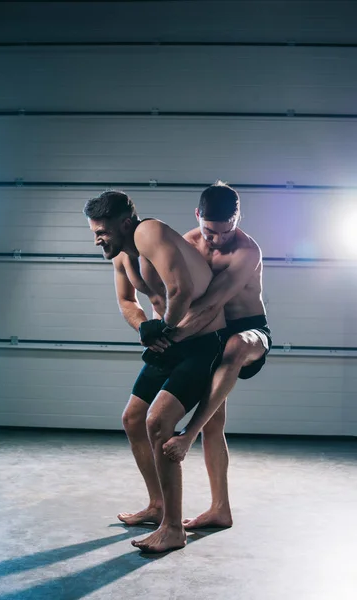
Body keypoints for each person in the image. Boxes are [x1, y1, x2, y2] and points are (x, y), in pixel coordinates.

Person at [83, 190, 229, 553]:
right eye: (93, 231)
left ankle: (173, 529)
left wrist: (162, 328)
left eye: (102, 230)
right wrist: (144, 329)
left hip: (203, 339)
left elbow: (180, 290)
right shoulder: (120, 255)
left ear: (125, 222)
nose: (98, 237)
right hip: (171, 338)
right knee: (133, 418)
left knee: (157, 422)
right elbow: (126, 301)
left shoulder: (149, 233)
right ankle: (157, 505)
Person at [162, 181, 272, 530]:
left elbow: (213, 300)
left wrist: (175, 335)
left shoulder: (247, 251)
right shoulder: (187, 242)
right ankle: (220, 509)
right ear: (198, 216)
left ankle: (188, 434)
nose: (217, 239)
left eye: (226, 231)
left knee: (235, 346)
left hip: (251, 331)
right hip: (210, 331)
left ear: (237, 219)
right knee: (216, 423)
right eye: (210, 231)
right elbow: (174, 291)